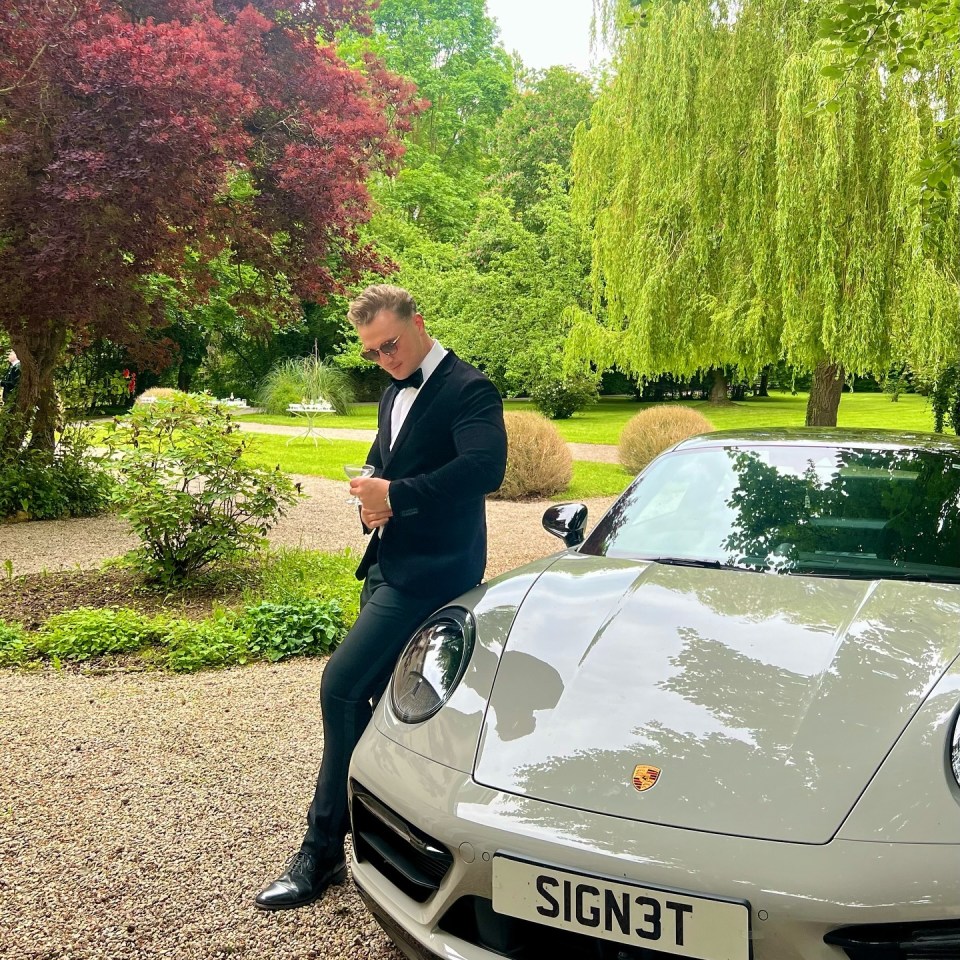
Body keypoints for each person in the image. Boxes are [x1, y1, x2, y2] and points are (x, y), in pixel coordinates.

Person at [254, 284, 507, 911]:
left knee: (340, 687)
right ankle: (397, 820)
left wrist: (396, 496)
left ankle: (320, 852)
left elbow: (485, 470)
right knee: (375, 699)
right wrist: (370, 492)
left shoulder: (469, 388)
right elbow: (385, 457)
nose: (385, 360)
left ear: (419, 323)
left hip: (435, 573)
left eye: (391, 345)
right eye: (372, 353)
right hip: (388, 562)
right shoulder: (394, 391)